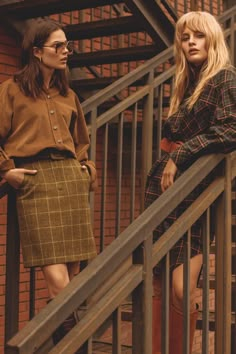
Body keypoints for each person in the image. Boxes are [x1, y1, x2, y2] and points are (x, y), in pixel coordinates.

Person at [0, 19, 97, 352]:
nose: (66, 51)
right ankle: (78, 347)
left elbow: (81, 140)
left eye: (67, 45)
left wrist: (87, 169)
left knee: (73, 280)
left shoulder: (68, 93)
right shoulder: (11, 89)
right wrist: (7, 170)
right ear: (37, 51)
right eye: (59, 46)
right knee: (59, 284)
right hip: (36, 183)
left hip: (70, 181)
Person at [144, 11, 236, 354]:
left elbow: (230, 129)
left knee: (182, 287)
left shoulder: (224, 78)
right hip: (164, 189)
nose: (191, 42)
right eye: (185, 38)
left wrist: (180, 156)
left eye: (198, 36)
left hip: (192, 190)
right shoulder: (189, 83)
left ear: (212, 39)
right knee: (159, 284)